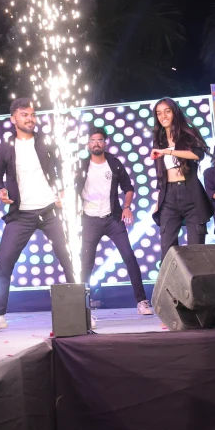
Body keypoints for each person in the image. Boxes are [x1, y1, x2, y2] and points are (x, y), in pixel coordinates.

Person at [0, 98, 75, 332]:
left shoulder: (46, 142)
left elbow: (63, 168)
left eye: (33, 114)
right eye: (24, 114)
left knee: (69, 259)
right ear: (13, 119)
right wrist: (0, 190)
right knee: (3, 261)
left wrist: (63, 190)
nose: (30, 119)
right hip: (20, 213)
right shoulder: (5, 147)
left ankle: (81, 311)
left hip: (50, 210)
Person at [76, 127, 152, 317]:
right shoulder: (81, 165)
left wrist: (127, 207)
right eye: (92, 140)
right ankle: (81, 306)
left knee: (129, 258)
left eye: (99, 140)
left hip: (113, 218)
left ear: (105, 142)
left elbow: (128, 187)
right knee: (86, 264)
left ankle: (142, 301)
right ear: (88, 144)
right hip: (90, 219)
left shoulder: (114, 163)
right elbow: (71, 189)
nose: (96, 143)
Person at [150, 98, 213, 257]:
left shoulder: (188, 134)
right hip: (169, 196)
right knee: (167, 249)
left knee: (196, 251)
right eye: (159, 113)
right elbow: (161, 175)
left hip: (190, 192)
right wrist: (158, 202)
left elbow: (197, 155)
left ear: (175, 112)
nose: (163, 116)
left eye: (167, 111)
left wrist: (168, 151)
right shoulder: (159, 140)